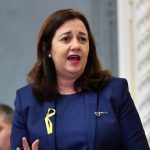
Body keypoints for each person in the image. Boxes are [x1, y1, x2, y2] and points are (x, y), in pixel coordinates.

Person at [11, 8, 150, 150]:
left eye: (82, 39)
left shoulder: (115, 91)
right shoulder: (26, 100)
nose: (76, 45)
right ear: (47, 49)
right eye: (66, 39)